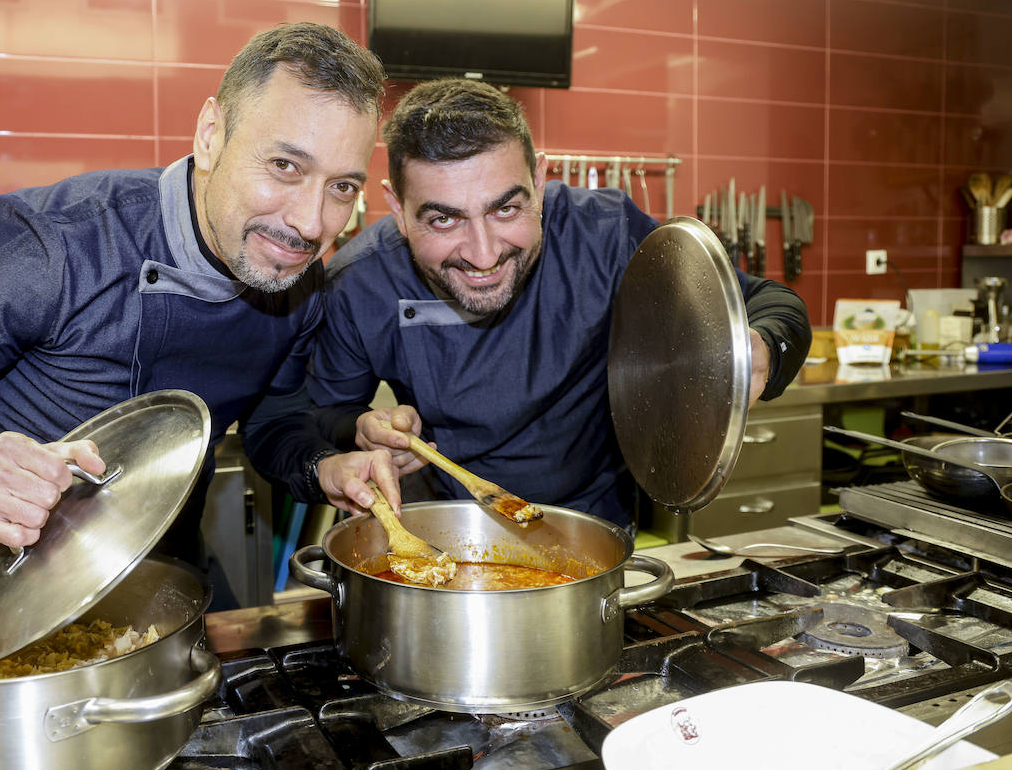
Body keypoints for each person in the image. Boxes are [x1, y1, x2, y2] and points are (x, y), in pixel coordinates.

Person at [0, 23, 398, 607]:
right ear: (211, 134)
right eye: (285, 166)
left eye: (342, 187)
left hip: (169, 575)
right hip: (3, 585)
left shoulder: (296, 283)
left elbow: (275, 420)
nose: (310, 223)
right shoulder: (51, 245)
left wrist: (321, 466)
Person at [243, 78, 811, 529]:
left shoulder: (606, 234)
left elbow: (769, 303)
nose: (483, 253)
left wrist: (758, 349)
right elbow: (309, 418)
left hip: (595, 526)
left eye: (506, 209)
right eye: (443, 219)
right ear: (397, 207)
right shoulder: (360, 283)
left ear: (539, 181)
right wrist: (362, 432)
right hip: (448, 530)